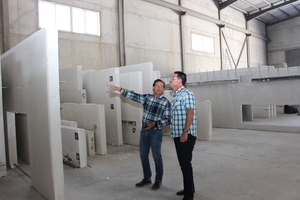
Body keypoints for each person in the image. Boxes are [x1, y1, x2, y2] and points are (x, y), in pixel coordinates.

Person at [107, 79, 171, 190]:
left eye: (161, 86)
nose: (159, 88)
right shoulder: (147, 98)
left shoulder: (166, 102)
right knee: (143, 155)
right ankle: (147, 178)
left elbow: (168, 119)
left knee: (157, 156)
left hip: (156, 132)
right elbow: (133, 95)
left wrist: (154, 124)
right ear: (153, 87)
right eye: (157, 85)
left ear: (163, 89)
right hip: (144, 132)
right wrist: (119, 89)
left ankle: (158, 180)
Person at [169, 71, 197, 200]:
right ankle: (189, 188)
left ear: (180, 80)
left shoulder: (186, 93)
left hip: (185, 134)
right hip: (178, 134)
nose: (170, 79)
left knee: (185, 164)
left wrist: (185, 131)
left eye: (173, 77)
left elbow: (190, 112)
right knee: (183, 163)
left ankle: (189, 195)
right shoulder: (175, 95)